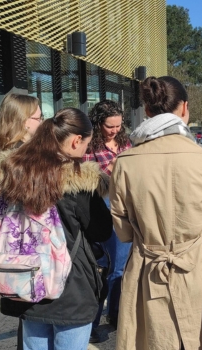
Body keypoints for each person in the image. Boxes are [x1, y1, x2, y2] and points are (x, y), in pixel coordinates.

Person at [110, 76, 202, 350]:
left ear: (147, 111)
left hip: (148, 274)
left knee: (155, 339)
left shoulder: (124, 163)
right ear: (185, 109)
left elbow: (123, 233)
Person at [0, 108, 113, 350]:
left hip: (25, 283)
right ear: (76, 140)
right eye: (86, 144)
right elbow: (102, 231)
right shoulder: (81, 181)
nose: (86, 151)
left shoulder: (13, 173)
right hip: (70, 288)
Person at [0, 93, 42, 350]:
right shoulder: (23, 158)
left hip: (13, 247)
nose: (42, 122)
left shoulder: (4, 154)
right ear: (22, 122)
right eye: (38, 117)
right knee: (32, 318)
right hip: (28, 248)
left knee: (27, 317)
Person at [82, 100, 132, 342]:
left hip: (125, 206)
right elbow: (85, 180)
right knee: (104, 268)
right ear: (98, 123)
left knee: (120, 268)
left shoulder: (125, 141)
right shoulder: (88, 145)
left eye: (119, 126)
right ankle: (92, 322)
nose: (115, 131)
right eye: (110, 126)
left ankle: (116, 313)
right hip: (101, 207)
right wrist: (112, 167)